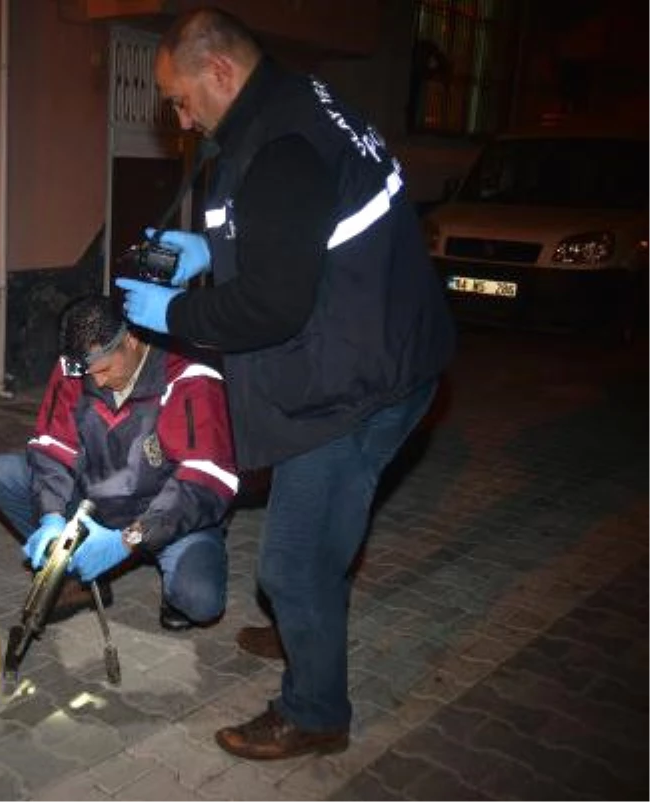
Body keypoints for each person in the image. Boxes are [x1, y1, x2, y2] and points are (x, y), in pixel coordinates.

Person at [116, 8, 455, 760]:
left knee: (292, 560)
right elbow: (284, 229)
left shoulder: (283, 145)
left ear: (221, 73)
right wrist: (204, 248)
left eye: (180, 99)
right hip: (390, 346)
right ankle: (309, 627)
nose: (179, 118)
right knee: (323, 533)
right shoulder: (296, 105)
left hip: (360, 382)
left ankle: (316, 711)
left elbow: (271, 303)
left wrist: (177, 309)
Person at [0, 294, 239, 630]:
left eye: (103, 369)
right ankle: (72, 574)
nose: (97, 381)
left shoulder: (190, 374)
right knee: (4, 474)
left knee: (199, 600)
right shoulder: (76, 365)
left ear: (131, 340)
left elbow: (203, 481)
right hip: (99, 507)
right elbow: (53, 445)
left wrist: (129, 540)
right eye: (89, 371)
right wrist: (51, 515)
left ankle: (172, 583)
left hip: (171, 515)